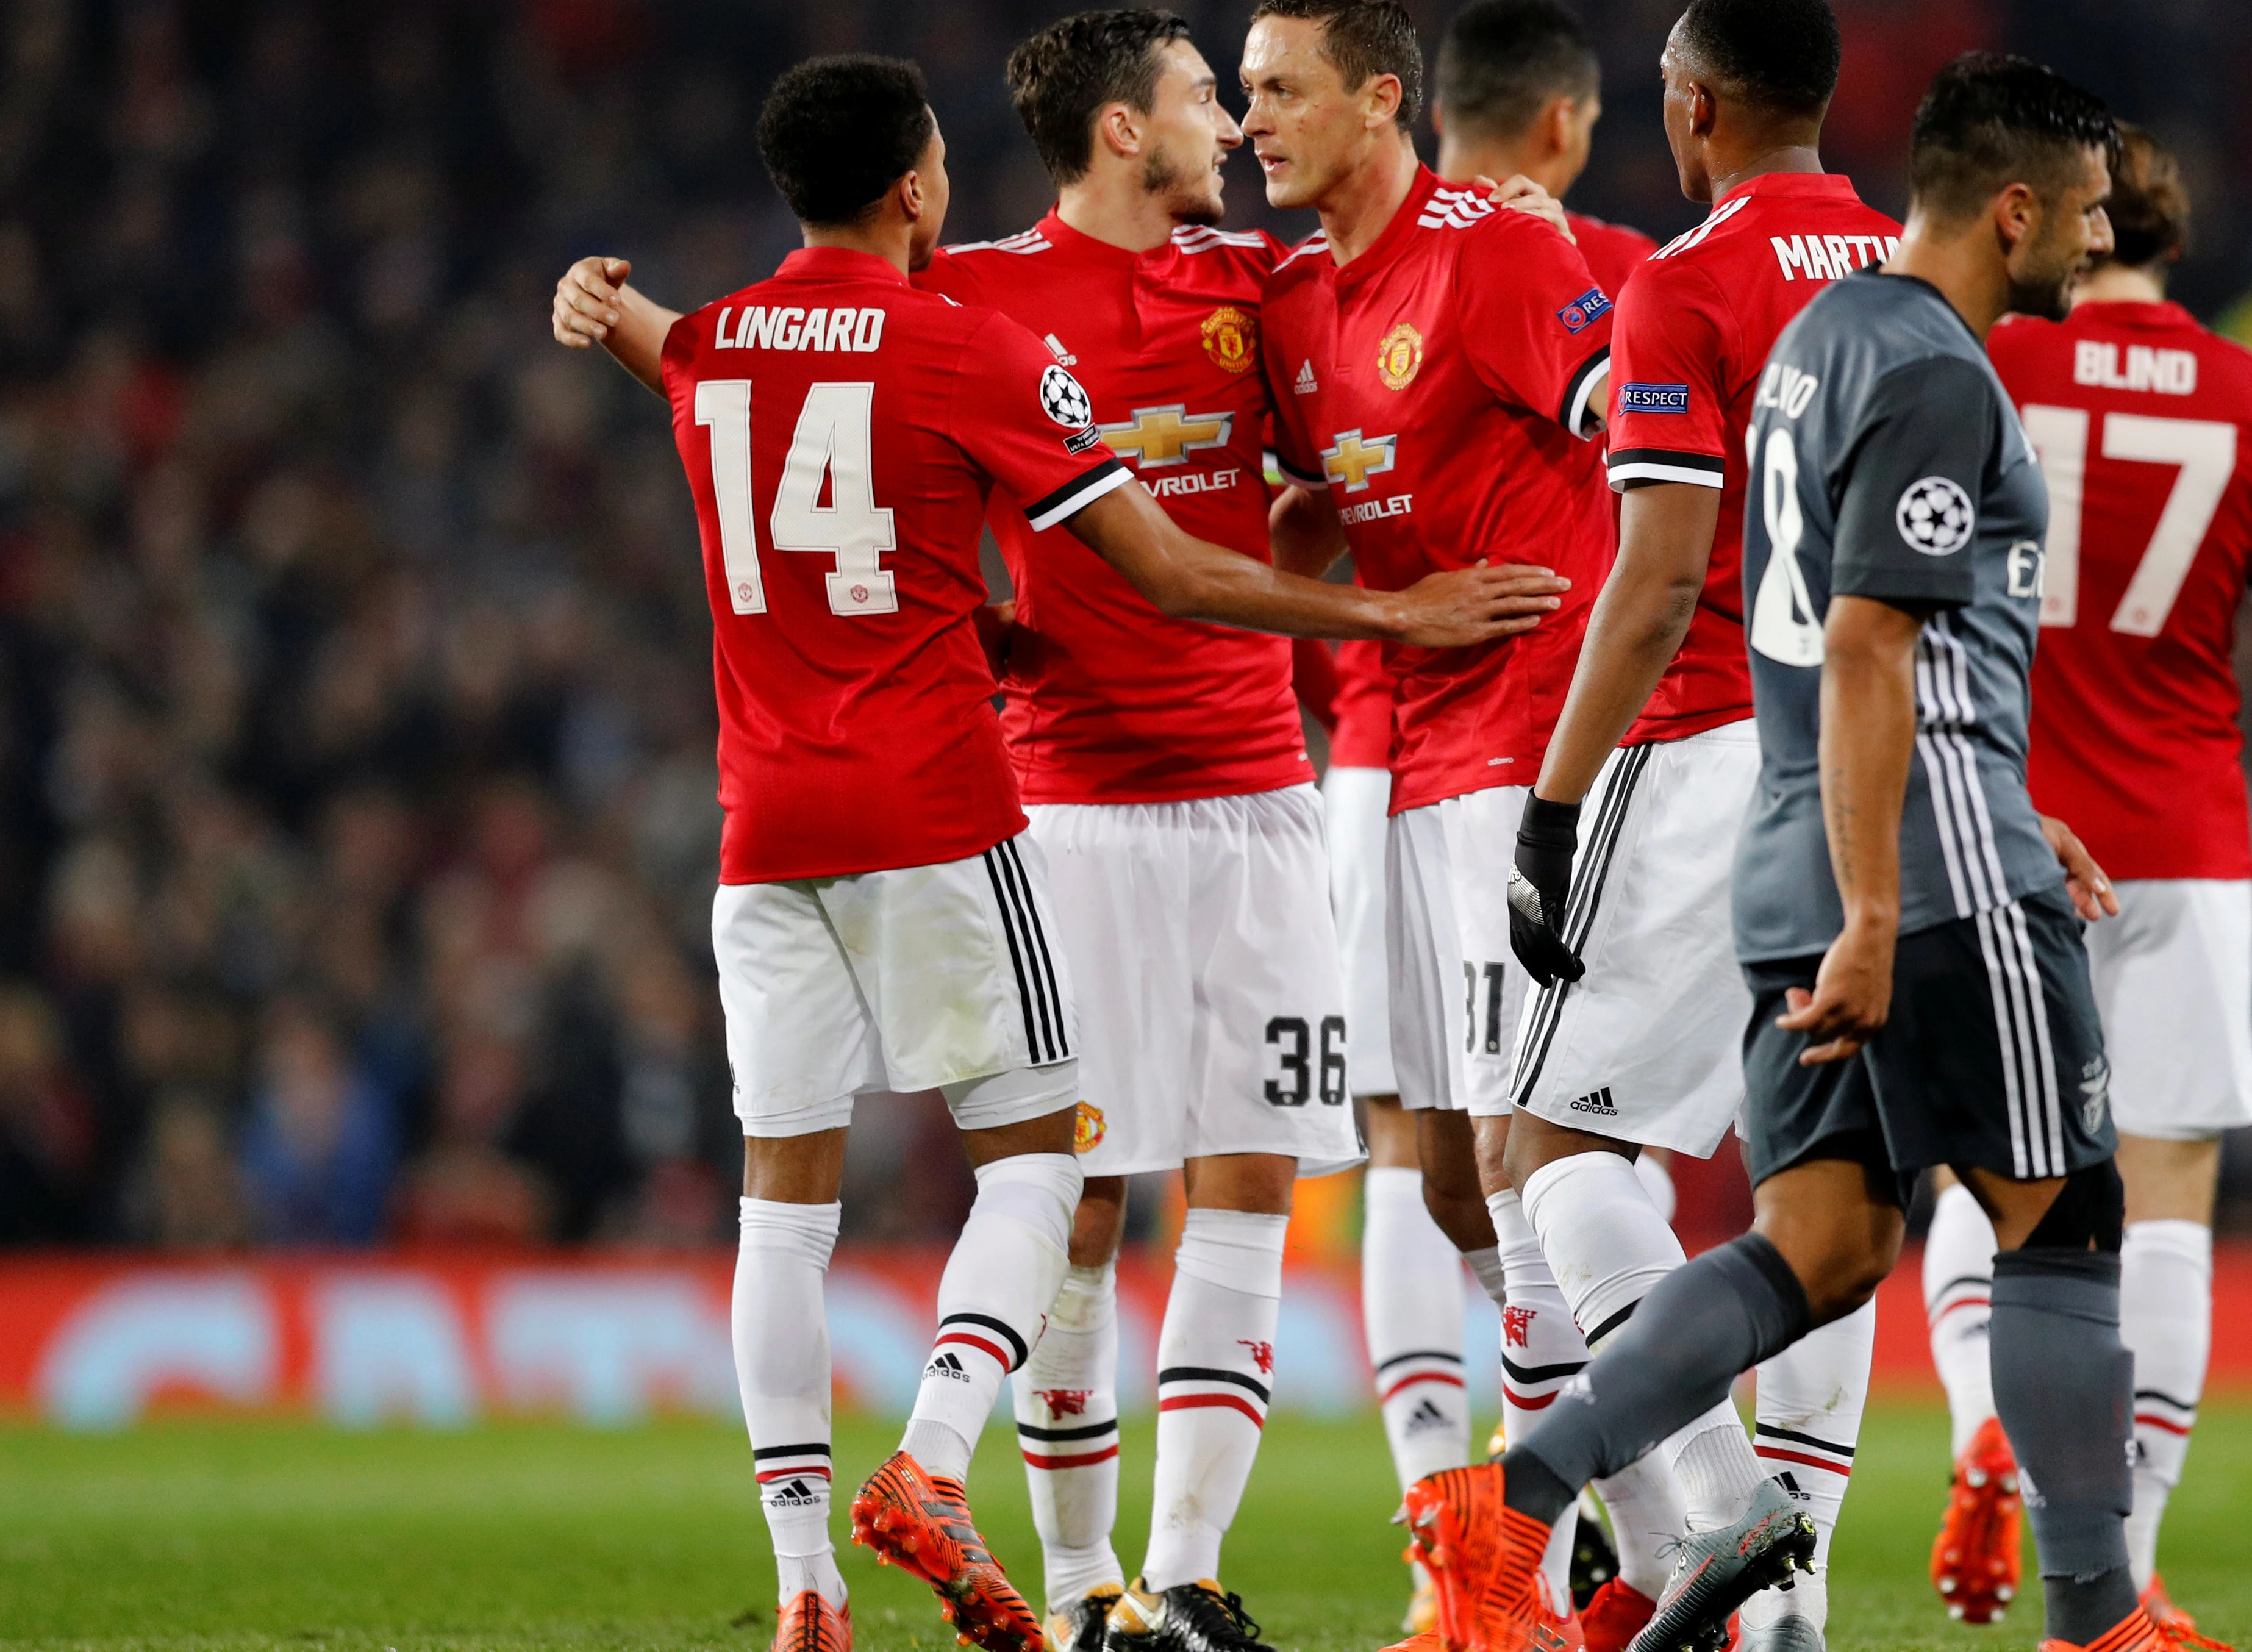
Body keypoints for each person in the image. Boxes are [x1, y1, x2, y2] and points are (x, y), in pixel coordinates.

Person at [553, 51, 1566, 1652]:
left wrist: (1507, 220)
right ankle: (1084, 1579)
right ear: (1115, 125)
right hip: (1058, 798)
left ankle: (1176, 1571)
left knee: (1241, 1183)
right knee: (1077, 1202)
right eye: (1202, 89)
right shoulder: (980, 307)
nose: (1234, 121)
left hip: (1255, 798)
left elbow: (729, 360)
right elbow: (962, 445)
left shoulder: (1262, 287)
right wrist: (1388, 612)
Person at [1390, 52, 2180, 1652]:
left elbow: (1830, 628)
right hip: (1921, 859)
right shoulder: (1938, 367)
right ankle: (2105, 1623)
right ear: (2012, 206)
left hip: (1792, 829)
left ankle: (1531, 1493)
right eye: (2086, 215)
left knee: (1810, 1242)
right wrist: (1897, 895)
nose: (2097, 247)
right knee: (2066, 1222)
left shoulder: (1816, 344)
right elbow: (1879, 640)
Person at [1927, 121, 2252, 1644]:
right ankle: (2135, 1565)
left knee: (1976, 1171)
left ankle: (1985, 1436)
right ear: (2177, 239)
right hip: (2183, 846)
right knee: (2167, 1196)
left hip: (2000, 819)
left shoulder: (1990, 365)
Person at [1489, 4, 1900, 1649]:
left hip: (1715, 746)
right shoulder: (1914, 261)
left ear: (1695, 106)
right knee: (1835, 1193)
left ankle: (1734, 1518)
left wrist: (1557, 792)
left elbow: (1659, 578)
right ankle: (1795, 1610)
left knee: (1561, 1151)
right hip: (1892, 762)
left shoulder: (1687, 277)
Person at [1237, 0, 1620, 1628]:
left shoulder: (1500, 254)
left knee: (1533, 1162)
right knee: (1447, 1174)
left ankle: (1549, 1548)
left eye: (1284, 92)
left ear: (1383, 98)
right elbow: (1336, 518)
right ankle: (1568, 1504)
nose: (1256, 121)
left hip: (1534, 752)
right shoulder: (1305, 301)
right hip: (1401, 755)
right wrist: (1306, 535)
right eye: (1243, 94)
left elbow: (1646, 424)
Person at [1429, 0, 1657, 294]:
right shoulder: (1623, 266)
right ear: (1561, 123)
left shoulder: (1368, 243)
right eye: (1588, 122)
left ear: (1439, 116)